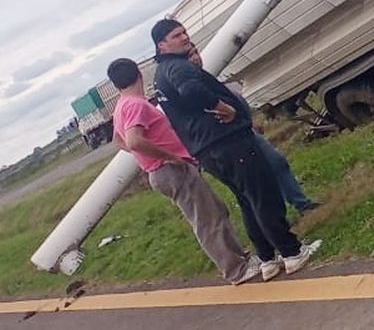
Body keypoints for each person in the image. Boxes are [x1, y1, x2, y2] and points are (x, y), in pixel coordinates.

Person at [151, 19, 322, 281]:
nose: (184, 37)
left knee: (248, 201)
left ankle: (267, 258)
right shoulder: (177, 67)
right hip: (228, 142)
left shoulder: (161, 75)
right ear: (162, 45)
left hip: (208, 150)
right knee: (264, 196)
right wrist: (224, 107)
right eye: (176, 35)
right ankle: (292, 252)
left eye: (184, 32)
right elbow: (192, 90)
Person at [105, 58, 259, 285]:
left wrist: (147, 158)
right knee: (207, 220)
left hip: (163, 169)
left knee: (215, 210)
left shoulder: (121, 107)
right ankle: (235, 270)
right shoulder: (136, 105)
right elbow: (133, 140)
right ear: (139, 73)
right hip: (170, 168)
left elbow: (118, 140)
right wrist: (169, 156)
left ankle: (237, 257)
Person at [187, 44, 319, 215]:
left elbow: (235, 103)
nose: (195, 58)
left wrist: (248, 120)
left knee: (277, 163)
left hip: (245, 129)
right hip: (231, 139)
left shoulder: (206, 78)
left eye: (196, 52)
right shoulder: (194, 88)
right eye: (189, 56)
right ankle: (278, 221)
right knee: (259, 179)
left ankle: (300, 204)